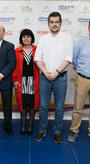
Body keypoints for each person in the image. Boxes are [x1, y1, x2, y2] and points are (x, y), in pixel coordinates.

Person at [33, 12, 73, 143]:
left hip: (60, 78)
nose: (54, 24)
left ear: (60, 23)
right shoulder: (43, 38)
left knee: (59, 107)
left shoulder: (67, 37)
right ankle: (42, 130)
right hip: (45, 78)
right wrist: (46, 72)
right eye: (52, 22)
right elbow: (37, 58)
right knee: (43, 106)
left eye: (57, 22)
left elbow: (68, 58)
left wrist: (55, 72)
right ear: (48, 24)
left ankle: (57, 132)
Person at [12, 29, 40, 135]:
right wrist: (14, 80)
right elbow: (13, 67)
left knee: (32, 105)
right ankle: (23, 126)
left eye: (28, 36)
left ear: (32, 38)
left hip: (34, 81)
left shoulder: (37, 50)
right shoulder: (17, 51)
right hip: (21, 81)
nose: (26, 38)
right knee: (22, 105)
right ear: (21, 39)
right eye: (24, 37)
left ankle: (31, 126)